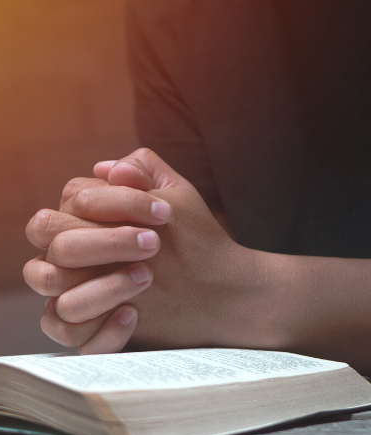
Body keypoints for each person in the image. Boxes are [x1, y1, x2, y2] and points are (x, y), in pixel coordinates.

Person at [22, 0, 371, 375]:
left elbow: (214, 287)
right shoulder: (163, 14)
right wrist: (121, 283)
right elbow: (194, 264)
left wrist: (237, 294)